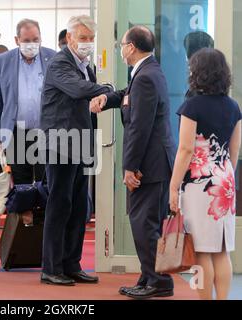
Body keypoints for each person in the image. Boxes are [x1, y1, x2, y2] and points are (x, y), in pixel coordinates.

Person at [90, 26, 176, 299]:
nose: (120, 49)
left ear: (131, 47)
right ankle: (149, 276)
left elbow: (140, 126)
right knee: (144, 222)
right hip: (152, 162)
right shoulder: (146, 71)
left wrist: (130, 167)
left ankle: (159, 281)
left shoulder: (147, 76)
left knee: (144, 224)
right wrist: (107, 98)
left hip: (150, 164)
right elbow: (127, 95)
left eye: (122, 44)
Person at [40, 15, 115, 286]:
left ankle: (71, 264)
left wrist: (109, 95)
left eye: (91, 39)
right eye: (82, 38)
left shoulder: (84, 65)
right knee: (59, 204)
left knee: (79, 206)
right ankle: (51, 267)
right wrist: (107, 90)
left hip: (81, 142)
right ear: (69, 38)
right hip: (59, 143)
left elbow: (89, 97)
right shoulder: (60, 63)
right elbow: (78, 89)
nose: (88, 44)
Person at [170, 48, 241, 300]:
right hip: (225, 181)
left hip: (199, 184)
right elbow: (234, 151)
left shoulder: (192, 106)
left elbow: (186, 149)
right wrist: (223, 174)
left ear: (197, 72)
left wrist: (173, 186)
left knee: (201, 251)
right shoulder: (234, 107)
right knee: (222, 251)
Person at [0, 19, 56, 184]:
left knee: (46, 182)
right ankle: (24, 210)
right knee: (21, 184)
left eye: (35, 40)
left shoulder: (53, 58)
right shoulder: (3, 61)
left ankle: (43, 211)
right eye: (26, 40)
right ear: (16, 40)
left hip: (46, 132)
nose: (31, 44)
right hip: (16, 134)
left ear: (41, 38)